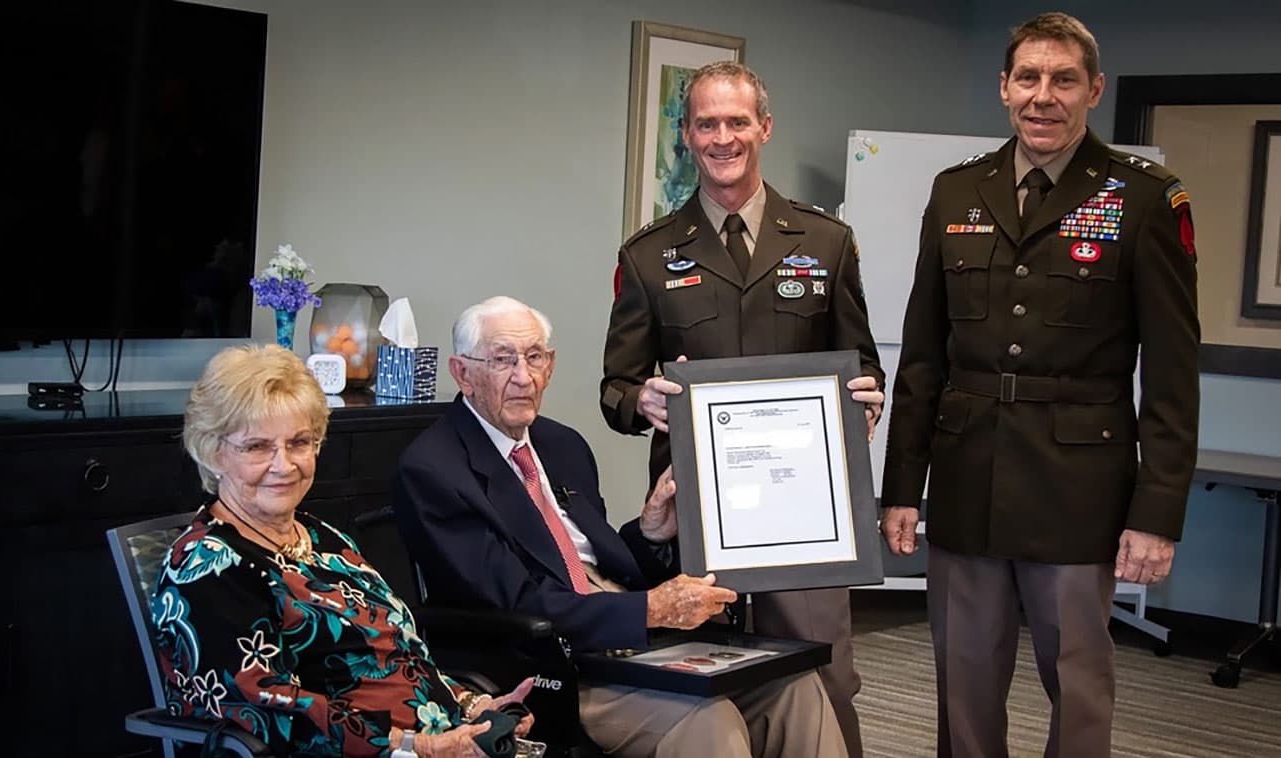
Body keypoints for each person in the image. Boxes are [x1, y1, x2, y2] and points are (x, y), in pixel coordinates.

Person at [880, 12, 1200, 757]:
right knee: (963, 679)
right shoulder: (957, 192)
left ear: (1094, 90)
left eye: (1062, 80)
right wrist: (902, 486)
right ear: (1003, 88)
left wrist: (1157, 513)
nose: (1043, 96)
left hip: (1079, 487)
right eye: (1028, 78)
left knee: (1078, 682)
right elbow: (924, 355)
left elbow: (1174, 373)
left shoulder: (1144, 197)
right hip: (966, 480)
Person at [393, 296, 850, 758]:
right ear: (462, 372)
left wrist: (650, 532)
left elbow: (598, 567)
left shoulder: (562, 444)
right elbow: (518, 602)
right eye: (503, 360)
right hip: (547, 666)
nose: (524, 377)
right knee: (707, 716)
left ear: (550, 365)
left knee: (794, 686)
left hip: (629, 642)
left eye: (535, 357)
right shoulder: (435, 469)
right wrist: (649, 610)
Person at [600, 61, 883, 756]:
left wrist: (865, 402)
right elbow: (614, 388)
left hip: (806, 515)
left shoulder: (825, 243)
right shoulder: (648, 254)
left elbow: (863, 362)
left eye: (736, 121)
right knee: (703, 687)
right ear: (688, 136)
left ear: (764, 127)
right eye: (705, 124)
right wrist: (642, 398)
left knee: (825, 678)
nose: (722, 138)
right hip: (694, 511)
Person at [153, 344, 535, 757]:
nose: (284, 465)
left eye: (299, 442)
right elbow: (268, 711)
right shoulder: (208, 566)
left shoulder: (320, 536)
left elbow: (394, 652)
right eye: (257, 447)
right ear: (212, 453)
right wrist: (422, 747)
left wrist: (471, 705)